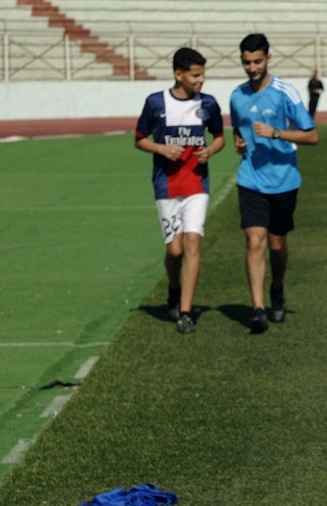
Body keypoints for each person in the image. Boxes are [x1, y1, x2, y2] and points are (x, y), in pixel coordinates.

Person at [230, 33, 318, 334]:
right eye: (246, 62)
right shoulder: (237, 95)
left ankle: (277, 288)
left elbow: (311, 136)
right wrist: (239, 144)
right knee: (254, 241)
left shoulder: (285, 92)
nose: (252, 68)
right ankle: (257, 309)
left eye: (257, 61)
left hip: (284, 181)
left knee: (276, 244)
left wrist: (275, 133)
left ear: (268, 58)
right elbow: (238, 132)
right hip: (250, 179)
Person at [134, 47, 225, 334]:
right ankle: (174, 288)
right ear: (178, 74)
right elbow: (138, 139)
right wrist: (161, 148)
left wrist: (209, 151)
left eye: (203, 75)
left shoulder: (208, 104)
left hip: (197, 184)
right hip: (166, 185)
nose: (201, 81)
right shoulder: (155, 103)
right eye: (195, 75)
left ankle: (185, 312)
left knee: (193, 244)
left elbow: (221, 137)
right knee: (174, 250)